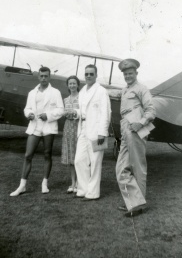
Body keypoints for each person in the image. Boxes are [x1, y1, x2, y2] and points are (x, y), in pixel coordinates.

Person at [109, 59, 156, 217]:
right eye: (125, 74)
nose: (128, 76)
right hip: (125, 128)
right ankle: (135, 202)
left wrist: (140, 123)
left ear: (136, 73)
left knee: (138, 167)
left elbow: (151, 111)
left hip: (136, 129)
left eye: (130, 73)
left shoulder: (142, 89)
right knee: (121, 169)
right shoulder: (124, 90)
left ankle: (138, 205)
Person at [10, 66, 64, 196]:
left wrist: (48, 115)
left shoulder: (55, 92)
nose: (44, 78)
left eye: (46, 76)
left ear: (49, 77)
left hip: (48, 126)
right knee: (28, 155)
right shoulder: (32, 93)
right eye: (42, 76)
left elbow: (60, 109)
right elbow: (27, 108)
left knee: (47, 154)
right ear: (38, 77)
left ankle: (44, 183)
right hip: (35, 126)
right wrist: (29, 114)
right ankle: (22, 185)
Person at [67, 64, 111, 201]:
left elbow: (106, 112)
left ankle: (93, 193)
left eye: (91, 74)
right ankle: (83, 189)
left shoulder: (101, 91)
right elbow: (83, 112)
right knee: (79, 160)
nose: (88, 76)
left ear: (96, 75)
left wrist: (102, 132)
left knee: (95, 161)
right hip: (83, 128)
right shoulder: (82, 92)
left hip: (96, 130)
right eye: (86, 74)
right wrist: (75, 113)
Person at [61, 76, 80, 194]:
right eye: (70, 83)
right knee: (71, 156)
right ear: (68, 85)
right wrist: (66, 113)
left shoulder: (82, 98)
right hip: (68, 128)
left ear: (78, 84)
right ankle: (73, 182)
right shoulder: (65, 99)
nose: (72, 85)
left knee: (79, 156)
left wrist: (73, 113)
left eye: (74, 83)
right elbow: (64, 113)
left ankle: (79, 182)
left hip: (78, 127)